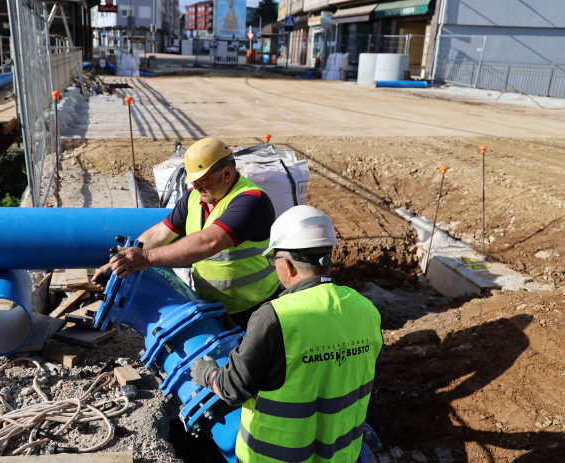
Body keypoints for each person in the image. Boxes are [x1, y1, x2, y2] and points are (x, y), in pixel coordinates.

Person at [191, 205, 383, 463]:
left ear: (287, 264)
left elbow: (232, 389)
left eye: (273, 260)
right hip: (341, 455)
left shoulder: (274, 318)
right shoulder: (366, 310)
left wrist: (207, 373)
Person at [91, 137, 280, 328]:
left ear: (226, 173)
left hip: (255, 310)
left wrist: (145, 258)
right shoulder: (193, 199)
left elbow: (210, 241)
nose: (196, 187)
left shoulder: (251, 200)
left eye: (201, 180)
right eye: (193, 181)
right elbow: (160, 234)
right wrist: (118, 263)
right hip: (216, 308)